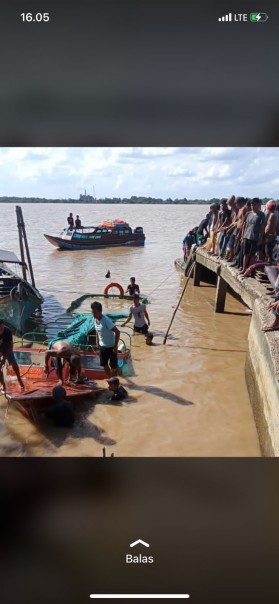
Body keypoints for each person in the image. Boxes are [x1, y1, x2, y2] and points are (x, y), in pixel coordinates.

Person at [91, 301, 120, 377]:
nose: (93, 314)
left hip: (111, 347)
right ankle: (111, 380)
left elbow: (117, 332)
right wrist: (97, 341)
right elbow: (97, 331)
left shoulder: (106, 320)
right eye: (92, 312)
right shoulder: (95, 319)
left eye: (95, 312)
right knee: (104, 365)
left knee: (113, 366)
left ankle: (119, 373)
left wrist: (115, 346)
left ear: (100, 311)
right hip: (102, 347)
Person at [239, 198, 265, 274]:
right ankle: (244, 269)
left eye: (254, 204)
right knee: (245, 254)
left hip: (255, 237)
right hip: (247, 236)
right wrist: (243, 236)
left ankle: (249, 271)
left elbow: (262, 228)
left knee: (252, 255)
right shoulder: (249, 213)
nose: (252, 205)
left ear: (258, 204)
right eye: (251, 204)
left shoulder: (261, 215)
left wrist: (260, 238)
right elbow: (246, 225)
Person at [0, 320, 25, 391]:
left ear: (2, 325)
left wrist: (4, 359)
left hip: (6, 347)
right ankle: (3, 384)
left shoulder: (7, 331)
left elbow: (10, 346)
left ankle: (19, 379)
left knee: (13, 362)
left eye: (1, 328)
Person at [264, 200, 277, 264]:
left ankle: (269, 263)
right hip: (270, 235)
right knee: (267, 250)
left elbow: (270, 227)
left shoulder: (272, 216)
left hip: (269, 235)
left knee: (268, 250)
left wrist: (266, 234)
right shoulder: (272, 215)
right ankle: (268, 262)